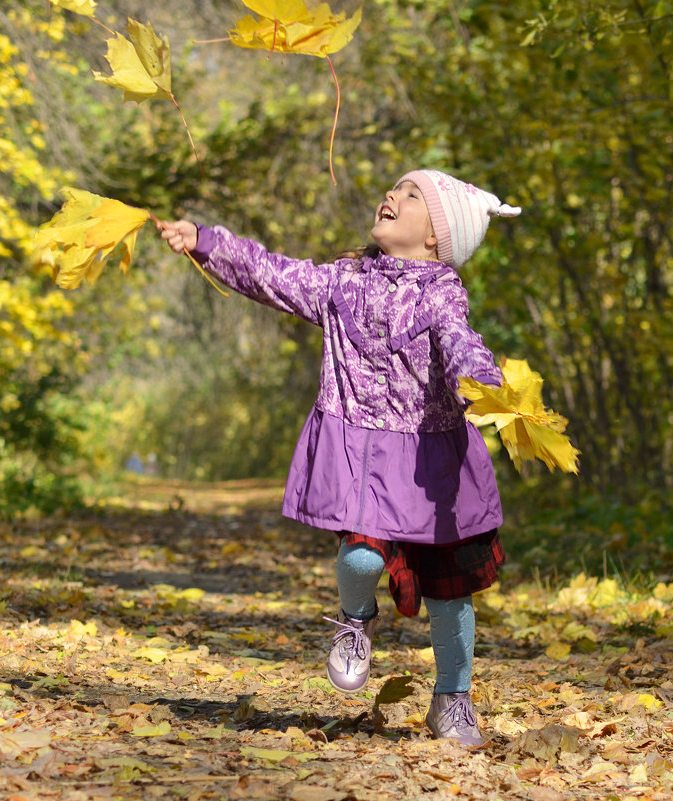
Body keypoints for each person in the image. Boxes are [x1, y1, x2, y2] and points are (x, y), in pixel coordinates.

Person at [159, 170, 520, 745]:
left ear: (436, 238)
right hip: (364, 450)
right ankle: (356, 622)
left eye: (410, 196)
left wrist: (483, 381)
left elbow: (458, 339)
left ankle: (452, 699)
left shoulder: (442, 289)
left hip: (434, 459)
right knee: (361, 559)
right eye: (394, 188)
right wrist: (206, 241)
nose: (391, 197)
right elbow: (270, 272)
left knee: (450, 594)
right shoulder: (342, 281)